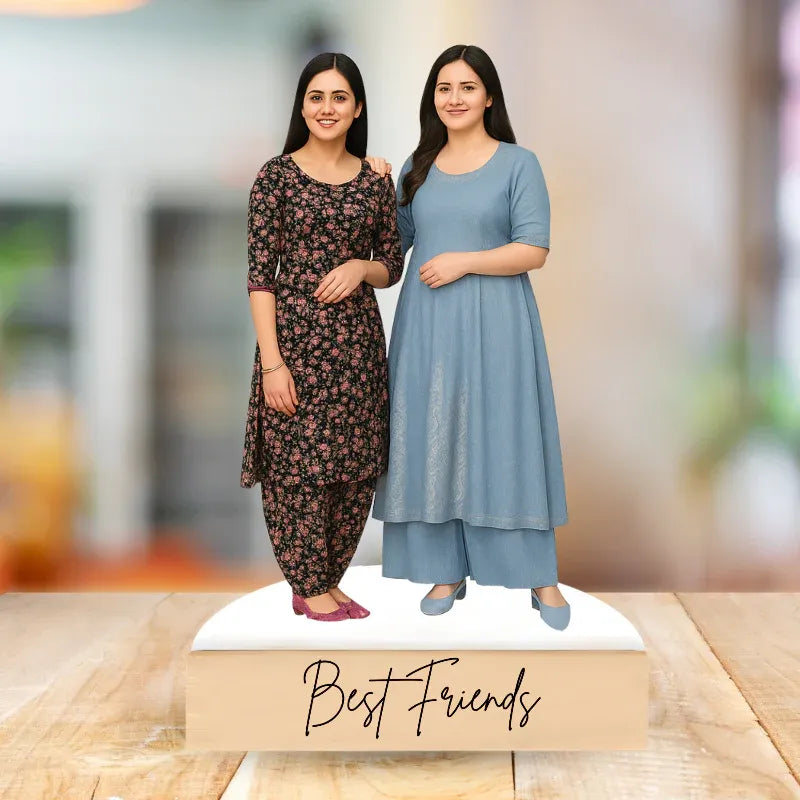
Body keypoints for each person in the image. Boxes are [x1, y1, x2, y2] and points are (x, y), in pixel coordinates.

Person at [369, 44, 571, 630]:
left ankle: (539, 576)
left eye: (466, 87)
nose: (454, 98)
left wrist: (463, 261)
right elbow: (391, 254)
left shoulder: (518, 163)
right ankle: (445, 570)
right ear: (433, 98)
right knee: (432, 439)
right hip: (426, 331)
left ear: (488, 96)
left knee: (504, 439)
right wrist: (373, 183)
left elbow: (534, 248)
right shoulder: (418, 167)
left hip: (500, 323)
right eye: (443, 88)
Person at [240, 52, 403, 622]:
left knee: (353, 464)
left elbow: (392, 264)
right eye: (316, 97)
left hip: (357, 348)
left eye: (339, 97)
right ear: (302, 106)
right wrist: (272, 364)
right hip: (296, 345)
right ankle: (306, 582)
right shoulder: (275, 177)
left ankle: (329, 579)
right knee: (297, 465)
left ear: (358, 108)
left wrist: (362, 267)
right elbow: (261, 277)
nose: (327, 108)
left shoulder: (374, 181)